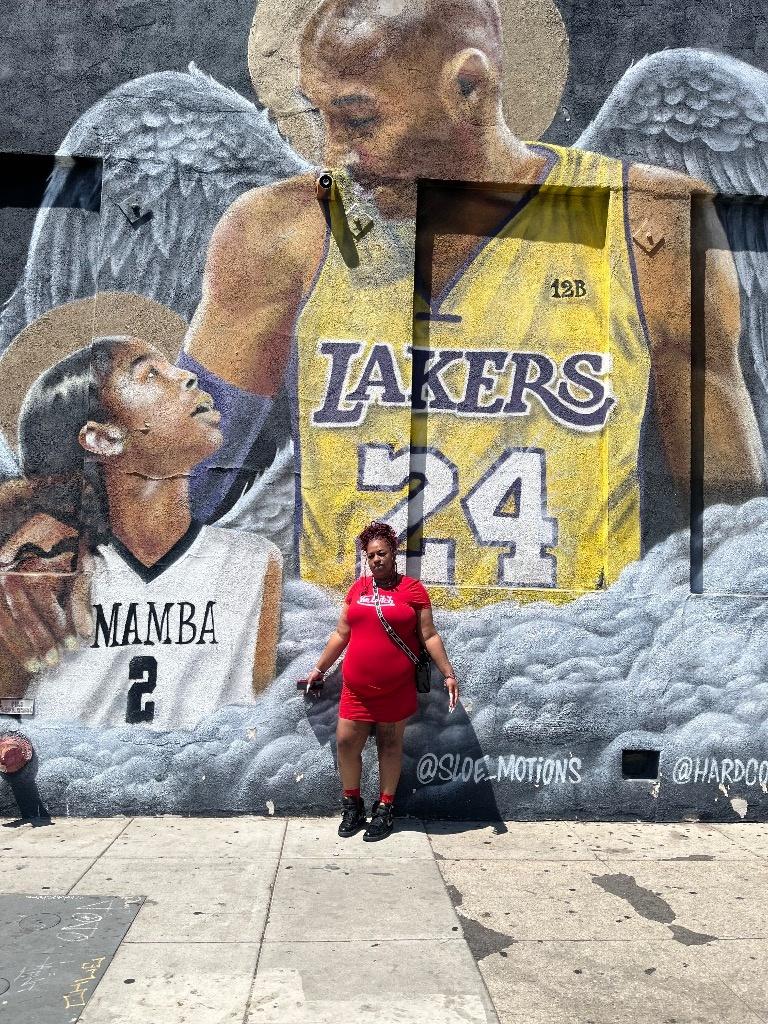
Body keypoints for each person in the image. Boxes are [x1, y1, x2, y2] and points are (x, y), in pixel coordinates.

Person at [1, 0, 765, 662]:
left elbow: (731, 527)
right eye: (319, 117)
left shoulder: (649, 224)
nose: (335, 153)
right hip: (343, 675)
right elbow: (180, 470)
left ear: (469, 86)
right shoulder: (282, 231)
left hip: (565, 674)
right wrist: (43, 548)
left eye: (359, 119)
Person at [0, 336, 282, 730]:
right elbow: (8, 717)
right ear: (104, 437)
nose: (187, 376)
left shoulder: (254, 561)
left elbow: (256, 726)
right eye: (150, 374)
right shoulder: (46, 574)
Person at [304, 520, 458, 841]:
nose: (376, 559)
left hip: (395, 690)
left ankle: (385, 807)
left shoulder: (413, 590)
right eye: (371, 555)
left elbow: (429, 635)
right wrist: (319, 669)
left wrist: (448, 673)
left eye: (382, 553)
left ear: (393, 553)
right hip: (356, 690)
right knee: (346, 744)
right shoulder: (358, 590)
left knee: (389, 746)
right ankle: (352, 805)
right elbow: (341, 634)